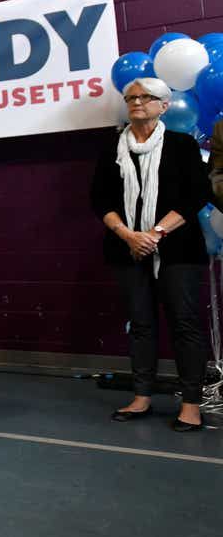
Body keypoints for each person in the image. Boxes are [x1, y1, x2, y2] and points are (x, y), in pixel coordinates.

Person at [90, 77, 210, 432]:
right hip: (126, 248)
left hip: (178, 250)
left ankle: (190, 404)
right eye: (131, 97)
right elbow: (100, 200)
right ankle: (141, 396)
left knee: (185, 324)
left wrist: (155, 233)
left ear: (164, 105)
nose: (137, 101)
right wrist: (129, 234)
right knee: (140, 324)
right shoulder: (112, 147)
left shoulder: (182, 144)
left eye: (146, 97)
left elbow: (196, 195)